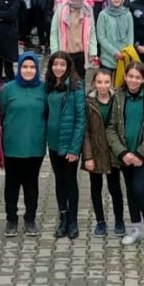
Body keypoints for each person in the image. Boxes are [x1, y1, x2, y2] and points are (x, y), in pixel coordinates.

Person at [106, 61, 144, 252]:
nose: (133, 80)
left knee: (140, 189)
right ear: (125, 77)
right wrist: (123, 152)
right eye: (130, 76)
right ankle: (136, 227)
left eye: (137, 77)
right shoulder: (118, 96)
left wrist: (140, 153)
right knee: (131, 191)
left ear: (143, 79)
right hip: (125, 154)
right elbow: (111, 128)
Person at [0, 52, 47, 237]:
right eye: (25, 67)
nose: (28, 70)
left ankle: (30, 218)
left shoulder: (44, 89)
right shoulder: (8, 89)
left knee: (31, 183)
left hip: (35, 145)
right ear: (19, 68)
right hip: (12, 145)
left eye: (32, 67)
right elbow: (1, 115)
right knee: (12, 183)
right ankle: (11, 219)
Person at [46, 51, 87, 239]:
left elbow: (80, 119)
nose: (58, 68)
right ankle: (63, 216)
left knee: (70, 181)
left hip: (69, 144)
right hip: (53, 143)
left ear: (68, 66)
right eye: (55, 64)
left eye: (62, 64)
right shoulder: (48, 86)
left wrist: (74, 148)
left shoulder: (77, 87)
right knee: (59, 180)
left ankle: (73, 220)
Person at [83, 69, 126, 238]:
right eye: (99, 82)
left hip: (114, 152)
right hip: (95, 151)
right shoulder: (88, 102)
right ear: (94, 83)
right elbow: (85, 132)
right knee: (96, 187)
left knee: (115, 188)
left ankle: (119, 220)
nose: (103, 86)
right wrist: (88, 156)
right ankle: (100, 221)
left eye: (106, 82)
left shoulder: (118, 100)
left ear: (111, 83)